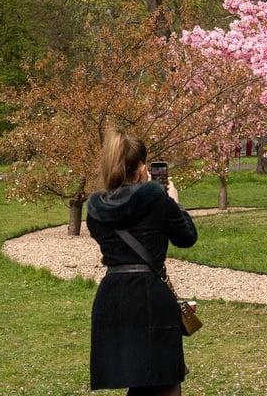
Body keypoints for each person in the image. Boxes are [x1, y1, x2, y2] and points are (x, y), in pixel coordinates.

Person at [86, 127, 198, 396]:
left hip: (113, 297)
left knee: (140, 379)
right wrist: (176, 203)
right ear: (141, 167)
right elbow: (187, 237)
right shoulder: (158, 200)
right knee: (164, 380)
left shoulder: (95, 209)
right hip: (150, 295)